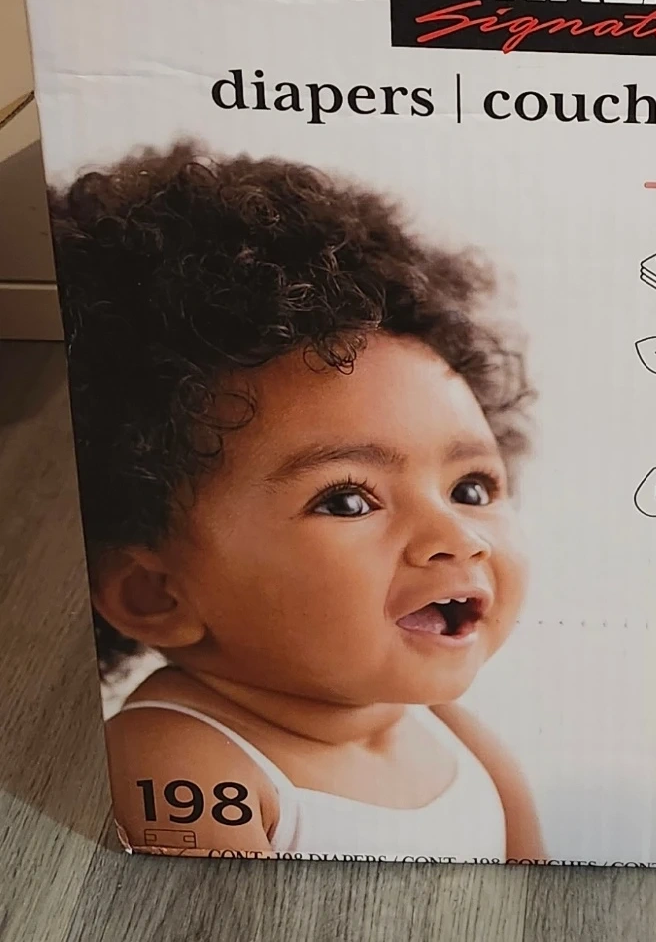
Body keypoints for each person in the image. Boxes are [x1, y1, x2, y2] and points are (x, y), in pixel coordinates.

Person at [49, 142, 541, 860]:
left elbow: (545, 901)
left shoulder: (455, 738)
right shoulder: (179, 761)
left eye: (471, 488)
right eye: (347, 501)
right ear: (156, 593)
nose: (457, 536)